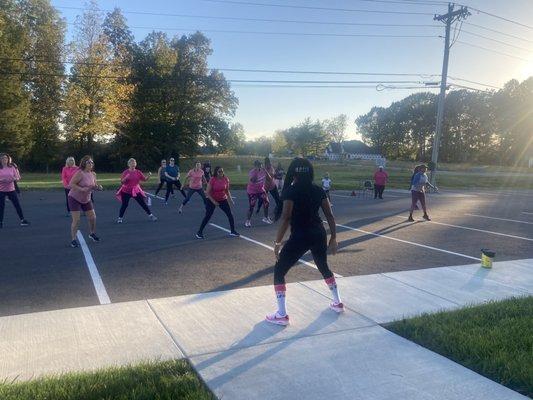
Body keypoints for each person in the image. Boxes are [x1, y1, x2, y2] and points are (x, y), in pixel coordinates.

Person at [266, 158, 343, 326]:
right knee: (323, 267)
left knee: (279, 271)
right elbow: (330, 215)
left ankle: (282, 314)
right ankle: (337, 302)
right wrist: (334, 237)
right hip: (318, 233)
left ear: (293, 173)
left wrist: (278, 243)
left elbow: (286, 217)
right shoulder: (318, 190)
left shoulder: (290, 191)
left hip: (300, 235)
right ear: (311, 172)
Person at [196, 166, 240, 239]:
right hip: (211, 199)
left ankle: (233, 231)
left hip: (222, 199)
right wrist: (214, 201)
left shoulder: (225, 179)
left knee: (230, 214)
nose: (221, 173)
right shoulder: (213, 180)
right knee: (208, 216)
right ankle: (199, 232)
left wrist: (230, 199)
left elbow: (227, 191)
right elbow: (207, 193)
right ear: (216, 172)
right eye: (219, 171)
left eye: (222, 171)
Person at [68, 155, 102, 247]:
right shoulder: (80, 173)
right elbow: (71, 184)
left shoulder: (93, 174)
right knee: (77, 220)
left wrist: (98, 187)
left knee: (93, 217)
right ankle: (73, 240)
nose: (91, 164)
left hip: (86, 199)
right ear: (84, 164)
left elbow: (94, 185)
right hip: (74, 198)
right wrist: (81, 189)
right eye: (88, 162)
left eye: (92, 162)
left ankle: (92, 233)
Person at [116, 158, 157, 223]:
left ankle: (151, 215)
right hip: (126, 191)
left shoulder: (138, 172)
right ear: (128, 164)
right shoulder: (125, 172)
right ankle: (120, 218)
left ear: (136, 164)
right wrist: (126, 178)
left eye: (134, 163)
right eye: (131, 163)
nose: (133, 164)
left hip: (135, 191)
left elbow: (144, 179)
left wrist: (149, 175)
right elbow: (122, 182)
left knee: (142, 203)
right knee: (125, 204)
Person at [0, 153, 29, 228]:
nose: (4, 160)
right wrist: (2, 180)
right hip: (1, 190)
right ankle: (1, 222)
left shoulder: (12, 167)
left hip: (11, 189)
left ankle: (23, 220)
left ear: (8, 159)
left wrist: (14, 179)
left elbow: (18, 177)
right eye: (2, 158)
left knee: (17, 205)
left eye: (5, 158)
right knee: (1, 206)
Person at [245, 160, 272, 227]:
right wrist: (256, 172)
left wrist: (266, 172)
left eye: (260, 165)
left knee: (266, 202)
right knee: (252, 205)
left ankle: (266, 218)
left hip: (260, 190)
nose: (260, 166)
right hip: (252, 191)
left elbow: (269, 179)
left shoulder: (263, 171)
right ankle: (248, 221)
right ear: (255, 166)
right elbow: (253, 180)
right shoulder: (252, 172)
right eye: (258, 165)